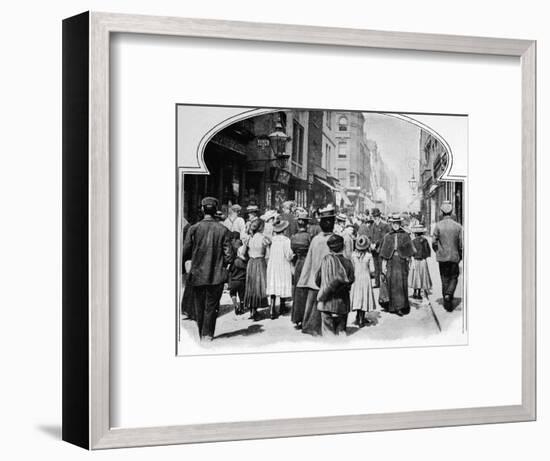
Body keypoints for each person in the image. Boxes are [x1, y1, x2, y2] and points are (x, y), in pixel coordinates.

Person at [182, 197, 233, 340]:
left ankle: (201, 333)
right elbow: (229, 255)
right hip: (216, 275)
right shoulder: (223, 230)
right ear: (215, 210)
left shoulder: (193, 229)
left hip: (197, 274)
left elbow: (185, 252)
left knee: (199, 305)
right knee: (212, 306)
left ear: (203, 209)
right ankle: (207, 334)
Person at [297, 205, 336, 336]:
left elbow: (309, 260)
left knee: (319, 303)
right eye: (327, 221)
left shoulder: (322, 240)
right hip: (323, 279)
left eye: (330, 221)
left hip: (323, 279)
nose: (329, 223)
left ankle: (316, 327)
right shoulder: (326, 239)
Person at [315, 234, 355, 336]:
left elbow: (317, 280)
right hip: (342, 303)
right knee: (341, 335)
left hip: (326, 302)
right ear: (343, 247)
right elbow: (351, 280)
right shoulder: (348, 262)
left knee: (328, 336)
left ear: (329, 248)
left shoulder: (325, 261)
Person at [379, 213, 415, 316]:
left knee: (400, 284)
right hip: (390, 263)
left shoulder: (405, 235)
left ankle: (400, 306)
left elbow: (410, 251)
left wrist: (412, 263)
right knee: (391, 283)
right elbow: (384, 253)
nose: (395, 225)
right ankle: (392, 306)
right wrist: (383, 267)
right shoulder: (388, 236)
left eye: (397, 223)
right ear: (391, 224)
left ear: (400, 223)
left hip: (402, 262)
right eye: (394, 223)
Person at [432, 200, 463, 311]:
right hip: (454, 257)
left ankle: (447, 301)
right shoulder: (458, 226)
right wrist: (460, 255)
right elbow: (461, 244)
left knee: (444, 278)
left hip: (442, 257)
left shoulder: (438, 226)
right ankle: (449, 294)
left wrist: (438, 251)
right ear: (451, 212)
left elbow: (434, 242)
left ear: (441, 212)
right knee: (454, 277)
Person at [266, 220, 294, 319]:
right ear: (284, 230)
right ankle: (282, 306)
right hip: (283, 264)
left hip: (273, 264)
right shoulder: (286, 240)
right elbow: (288, 255)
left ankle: (272, 309)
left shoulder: (272, 240)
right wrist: (292, 256)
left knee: (273, 284)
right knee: (283, 282)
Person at [243, 218, 271, 320]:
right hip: (260, 262)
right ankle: (255, 312)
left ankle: (252, 310)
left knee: (251, 286)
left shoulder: (249, 238)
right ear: (261, 227)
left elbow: (243, 253)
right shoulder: (264, 239)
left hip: (251, 262)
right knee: (259, 286)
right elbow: (268, 254)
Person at [290, 211, 312, 329]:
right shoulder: (309, 237)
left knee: (298, 291)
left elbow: (292, 253)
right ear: (307, 224)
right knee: (307, 290)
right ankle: (306, 317)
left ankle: (297, 318)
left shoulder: (293, 238)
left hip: (298, 264)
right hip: (307, 264)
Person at [350, 235, 376, 327]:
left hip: (356, 277)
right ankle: (361, 318)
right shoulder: (369, 255)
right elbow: (372, 270)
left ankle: (358, 316)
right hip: (365, 278)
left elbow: (352, 267)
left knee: (357, 296)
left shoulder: (353, 255)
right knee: (364, 296)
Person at [367, 208, 391, 288]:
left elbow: (384, 237)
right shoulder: (372, 226)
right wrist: (371, 244)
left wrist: (376, 244)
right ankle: (377, 283)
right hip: (374, 250)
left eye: (377, 216)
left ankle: (383, 283)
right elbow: (369, 236)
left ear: (379, 216)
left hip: (381, 249)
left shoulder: (384, 225)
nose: (375, 218)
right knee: (376, 266)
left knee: (382, 267)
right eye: (374, 216)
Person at [409, 224, 432, 300]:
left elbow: (411, 252)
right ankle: (419, 293)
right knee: (422, 276)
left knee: (415, 276)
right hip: (422, 260)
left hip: (415, 260)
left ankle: (415, 292)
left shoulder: (413, 241)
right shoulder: (424, 240)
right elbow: (428, 251)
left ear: (415, 233)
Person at [228, 240, 248, 315]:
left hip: (233, 281)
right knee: (242, 295)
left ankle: (236, 306)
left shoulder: (233, 262)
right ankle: (242, 308)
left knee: (233, 294)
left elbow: (230, 272)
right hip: (242, 281)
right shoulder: (243, 263)